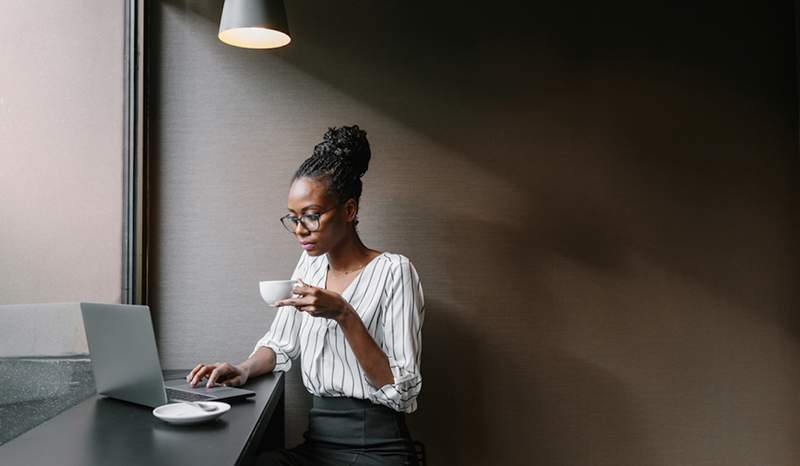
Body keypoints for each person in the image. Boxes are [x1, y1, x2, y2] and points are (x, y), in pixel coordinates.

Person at [185, 125, 425, 466]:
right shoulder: (309, 267)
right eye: (294, 218)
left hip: (378, 448)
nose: (300, 230)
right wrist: (241, 368)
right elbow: (281, 343)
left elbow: (403, 389)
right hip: (319, 446)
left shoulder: (394, 271)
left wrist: (344, 314)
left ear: (350, 210)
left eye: (312, 216)